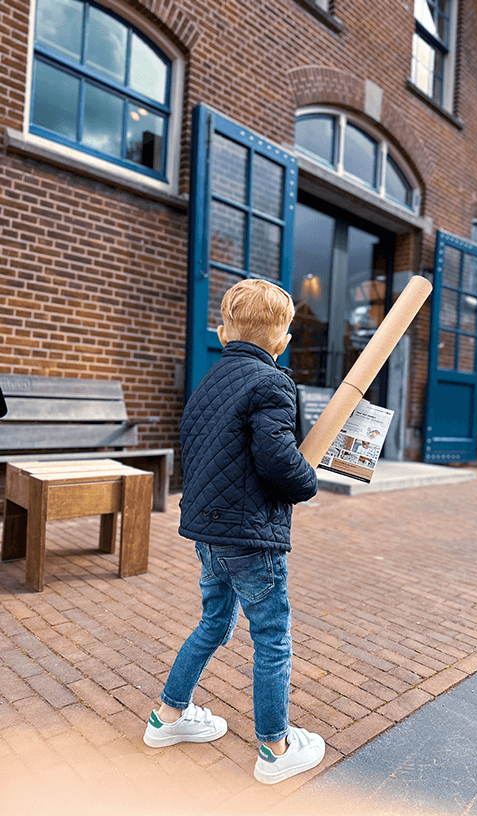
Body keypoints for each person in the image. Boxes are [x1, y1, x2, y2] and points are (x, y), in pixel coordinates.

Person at [143, 279, 324, 785]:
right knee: (271, 637)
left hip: (208, 536)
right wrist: (307, 479)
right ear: (283, 338)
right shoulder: (272, 382)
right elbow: (275, 459)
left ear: (224, 331)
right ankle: (275, 748)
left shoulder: (210, 382)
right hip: (251, 539)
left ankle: (168, 717)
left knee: (214, 625)